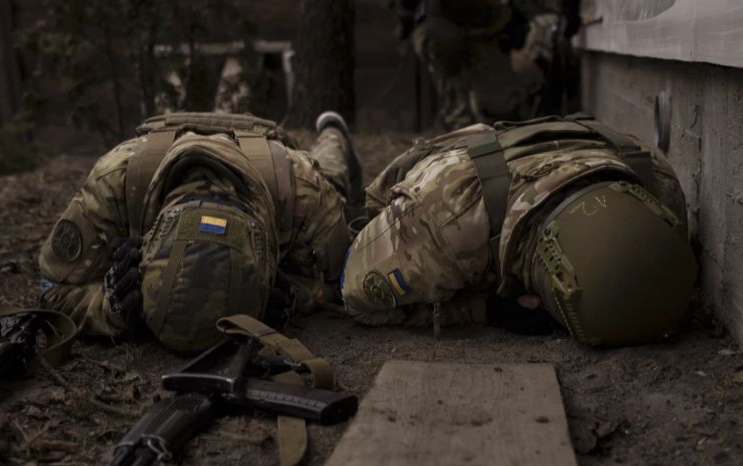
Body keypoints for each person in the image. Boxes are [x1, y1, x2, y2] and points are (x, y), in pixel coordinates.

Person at [341, 115, 699, 347]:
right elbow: (355, 296)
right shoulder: (443, 227)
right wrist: (487, 310)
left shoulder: (657, 181)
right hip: (446, 179)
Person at [39, 111, 360, 351]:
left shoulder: (305, 192)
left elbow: (341, 285)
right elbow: (51, 287)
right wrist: (112, 306)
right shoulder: (115, 182)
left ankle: (332, 130)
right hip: (178, 150)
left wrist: (291, 294)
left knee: (332, 172)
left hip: (273, 164)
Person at [391, 0, 582, 129]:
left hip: (486, 30)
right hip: (441, 25)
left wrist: (517, 21)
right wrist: (407, 17)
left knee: (504, 108)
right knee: (461, 115)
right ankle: (459, 140)